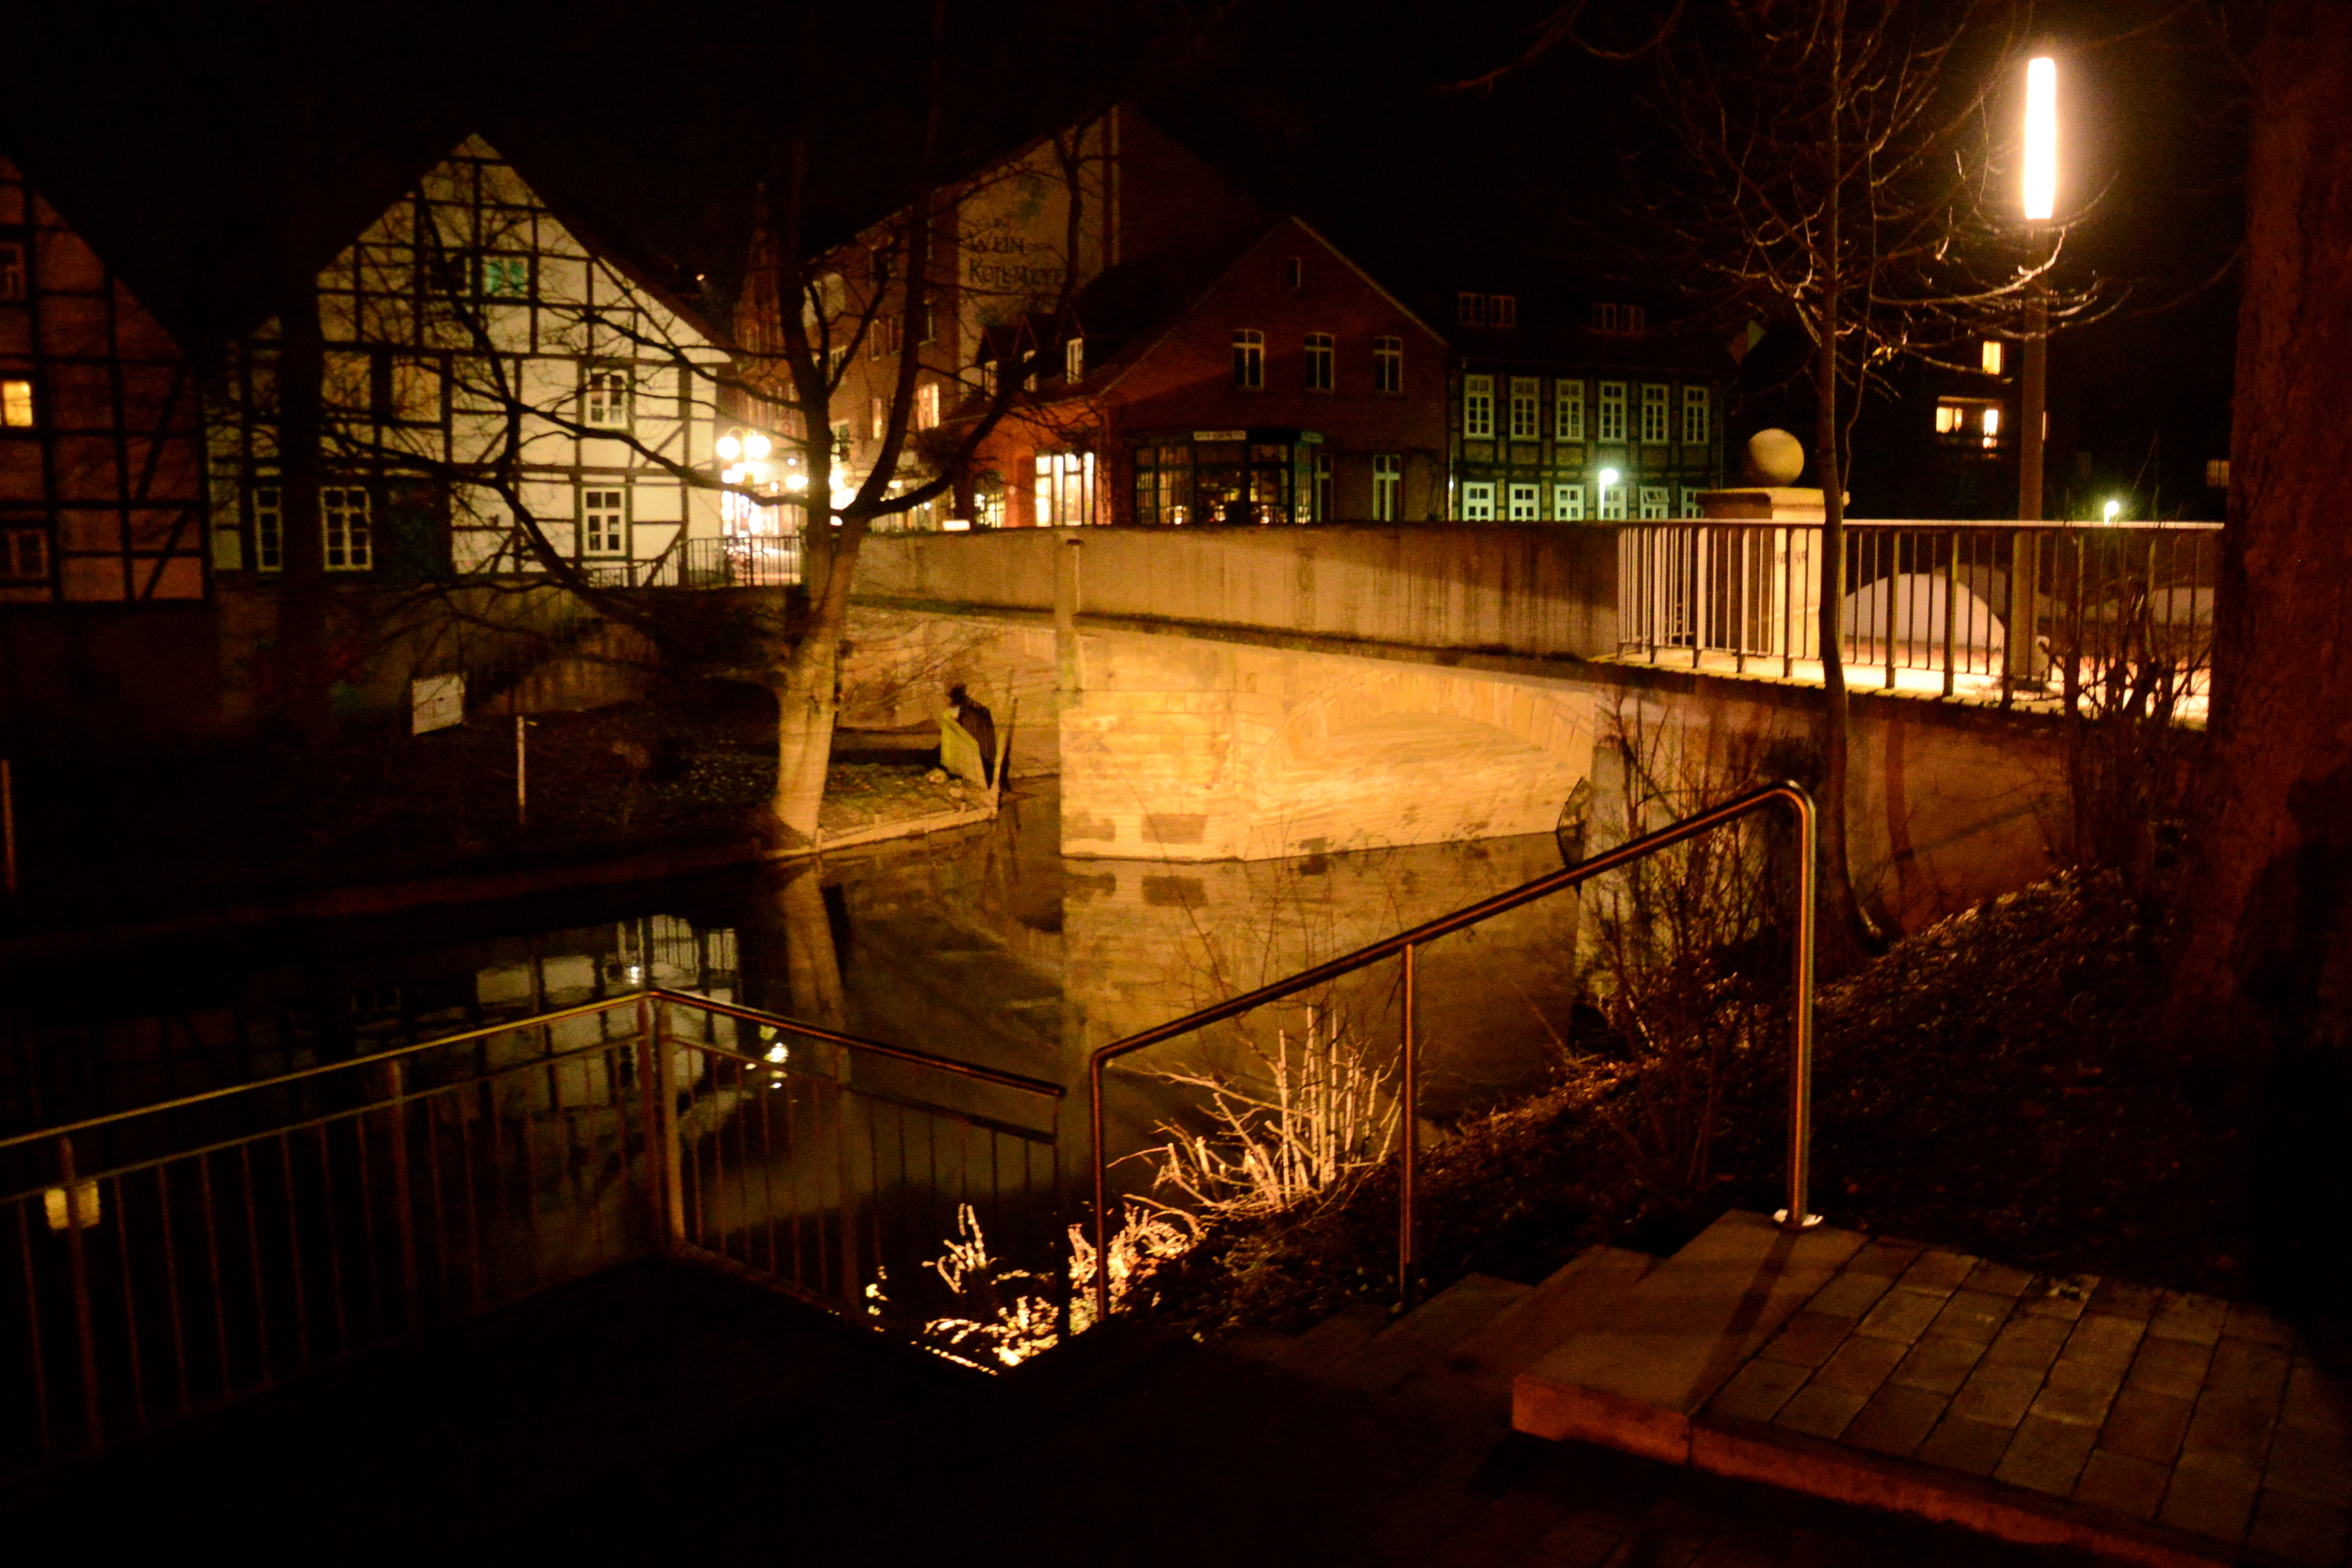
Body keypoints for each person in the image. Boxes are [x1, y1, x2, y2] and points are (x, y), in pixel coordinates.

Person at [946, 683, 997, 786]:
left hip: (976, 741)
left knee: (980, 765)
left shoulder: (962, 707)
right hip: (983, 742)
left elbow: (955, 722)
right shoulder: (974, 705)